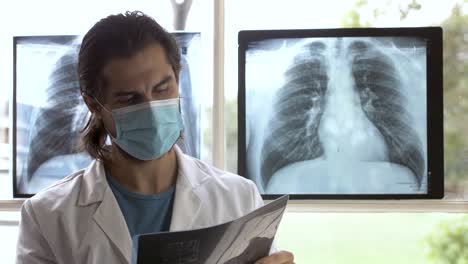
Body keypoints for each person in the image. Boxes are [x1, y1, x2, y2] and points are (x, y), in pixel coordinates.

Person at [15, 11, 294, 264]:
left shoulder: (238, 198)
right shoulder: (48, 216)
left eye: (162, 89)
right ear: (93, 104)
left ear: (178, 78)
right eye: (129, 98)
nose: (150, 109)